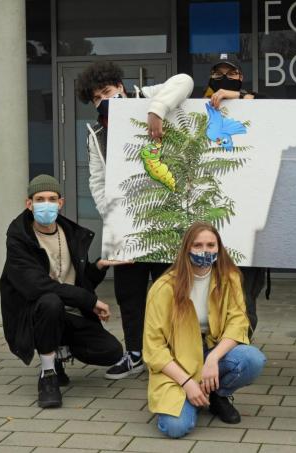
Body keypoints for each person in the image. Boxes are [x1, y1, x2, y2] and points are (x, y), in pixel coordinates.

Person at [76, 61, 194, 379]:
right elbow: (97, 182)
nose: (105, 99)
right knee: (129, 292)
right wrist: (114, 219)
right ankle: (135, 353)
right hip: (127, 226)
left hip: (167, 218)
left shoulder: (148, 97)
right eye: (97, 97)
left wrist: (156, 111)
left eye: (108, 90)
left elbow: (185, 79)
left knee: (169, 288)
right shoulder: (97, 133)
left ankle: (173, 353)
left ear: (121, 87)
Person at [0, 174, 129, 408]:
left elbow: (76, 279)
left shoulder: (72, 234)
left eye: (52, 199)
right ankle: (48, 375)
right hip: (35, 313)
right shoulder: (19, 239)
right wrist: (90, 301)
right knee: (50, 301)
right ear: (29, 204)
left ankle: (58, 349)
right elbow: (37, 286)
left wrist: (98, 267)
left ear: (61, 203)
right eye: (40, 199)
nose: (46, 204)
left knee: (111, 352)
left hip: (70, 312)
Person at [143, 222, 266, 438]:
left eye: (211, 245)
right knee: (176, 428)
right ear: (186, 249)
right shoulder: (163, 288)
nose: (205, 251)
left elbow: (238, 323)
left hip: (211, 352)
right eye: (197, 245)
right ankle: (194, 392)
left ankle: (216, 394)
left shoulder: (230, 278)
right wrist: (187, 382)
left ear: (219, 247)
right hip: (178, 361)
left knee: (253, 359)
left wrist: (212, 360)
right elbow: (154, 349)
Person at [200, 54, 267, 337]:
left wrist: (239, 96)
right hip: (208, 223)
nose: (223, 78)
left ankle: (239, 346)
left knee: (243, 292)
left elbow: (274, 108)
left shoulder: (256, 105)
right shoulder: (192, 109)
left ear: (241, 77)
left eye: (231, 73)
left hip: (247, 218)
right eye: (218, 74)